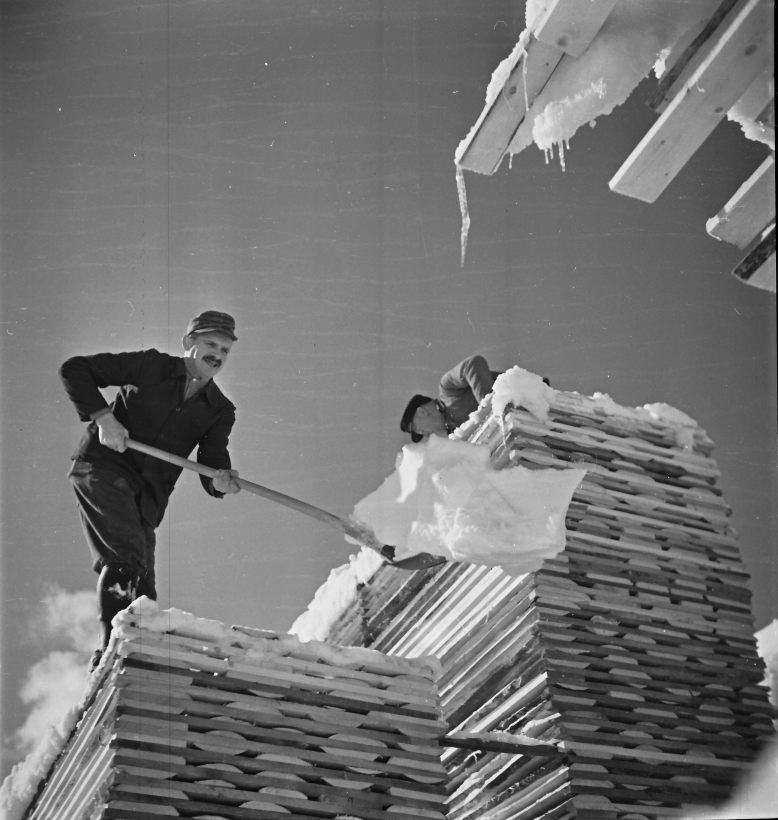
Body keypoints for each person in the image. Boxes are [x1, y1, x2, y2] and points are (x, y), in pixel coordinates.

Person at [59, 310, 242, 671]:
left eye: (225, 349)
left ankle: (139, 663)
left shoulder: (220, 410)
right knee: (125, 557)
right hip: (104, 469)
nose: (217, 355)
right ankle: (111, 651)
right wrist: (104, 418)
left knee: (144, 590)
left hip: (147, 498)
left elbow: (212, 460)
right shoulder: (151, 366)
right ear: (188, 342)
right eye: (210, 344)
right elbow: (75, 369)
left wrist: (219, 480)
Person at [400, 354, 500, 443]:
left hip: (508, 396)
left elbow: (473, 364)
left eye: (416, 428)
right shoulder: (456, 435)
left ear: (421, 412)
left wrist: (488, 405)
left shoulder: (447, 389)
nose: (424, 435)